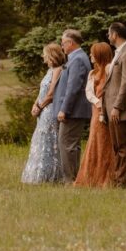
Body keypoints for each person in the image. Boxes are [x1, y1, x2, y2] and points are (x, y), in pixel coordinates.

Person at [21, 43, 65, 184]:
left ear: (52, 55)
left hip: (49, 109)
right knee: (40, 140)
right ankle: (38, 174)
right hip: (42, 109)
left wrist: (39, 106)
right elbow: (42, 91)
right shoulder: (49, 70)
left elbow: (51, 94)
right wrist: (35, 104)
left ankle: (51, 175)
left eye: (46, 55)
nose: (44, 58)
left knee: (49, 141)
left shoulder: (58, 70)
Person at [52, 29, 92, 183]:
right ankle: (75, 178)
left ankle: (70, 180)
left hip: (73, 111)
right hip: (73, 111)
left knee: (67, 144)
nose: (62, 46)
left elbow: (73, 88)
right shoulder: (75, 58)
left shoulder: (78, 60)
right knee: (71, 145)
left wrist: (64, 109)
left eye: (63, 43)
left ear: (70, 43)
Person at [104, 22, 126, 187]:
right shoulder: (118, 54)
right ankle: (118, 179)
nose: (108, 36)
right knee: (116, 146)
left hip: (121, 110)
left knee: (123, 146)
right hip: (112, 109)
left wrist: (117, 106)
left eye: (109, 33)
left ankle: (124, 182)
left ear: (115, 34)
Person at [75, 42, 115, 187]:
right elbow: (88, 92)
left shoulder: (110, 69)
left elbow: (112, 90)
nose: (90, 56)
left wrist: (103, 106)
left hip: (107, 111)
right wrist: (98, 104)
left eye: (93, 53)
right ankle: (91, 176)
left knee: (106, 142)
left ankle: (106, 177)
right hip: (96, 111)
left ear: (100, 54)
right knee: (94, 141)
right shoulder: (92, 73)